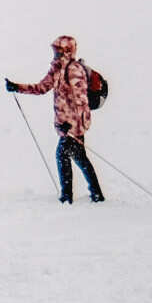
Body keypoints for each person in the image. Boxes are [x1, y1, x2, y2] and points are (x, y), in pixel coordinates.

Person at [7, 34, 103, 204]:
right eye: (54, 51)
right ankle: (95, 194)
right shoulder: (57, 70)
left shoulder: (74, 70)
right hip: (64, 125)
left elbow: (82, 102)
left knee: (62, 155)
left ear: (67, 52)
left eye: (58, 52)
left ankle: (67, 197)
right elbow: (41, 87)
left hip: (73, 126)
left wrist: (73, 126)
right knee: (80, 158)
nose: (55, 55)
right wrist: (17, 87)